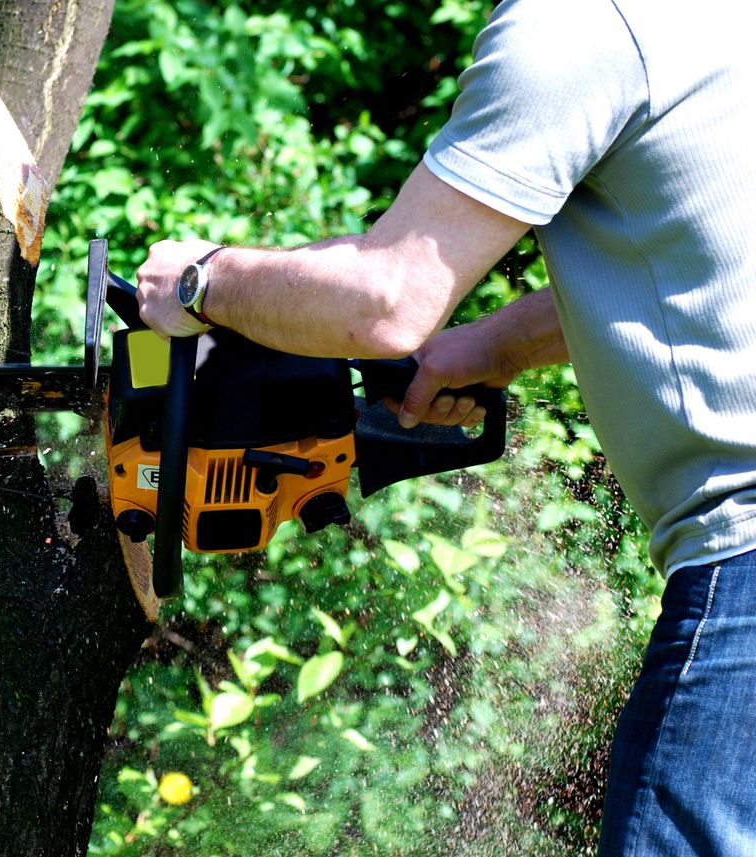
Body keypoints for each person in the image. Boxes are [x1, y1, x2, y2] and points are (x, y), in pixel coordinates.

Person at [134, 0, 756, 853]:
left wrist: (204, 284)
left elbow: (388, 300)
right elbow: (684, 261)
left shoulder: (575, 25)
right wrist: (493, 345)